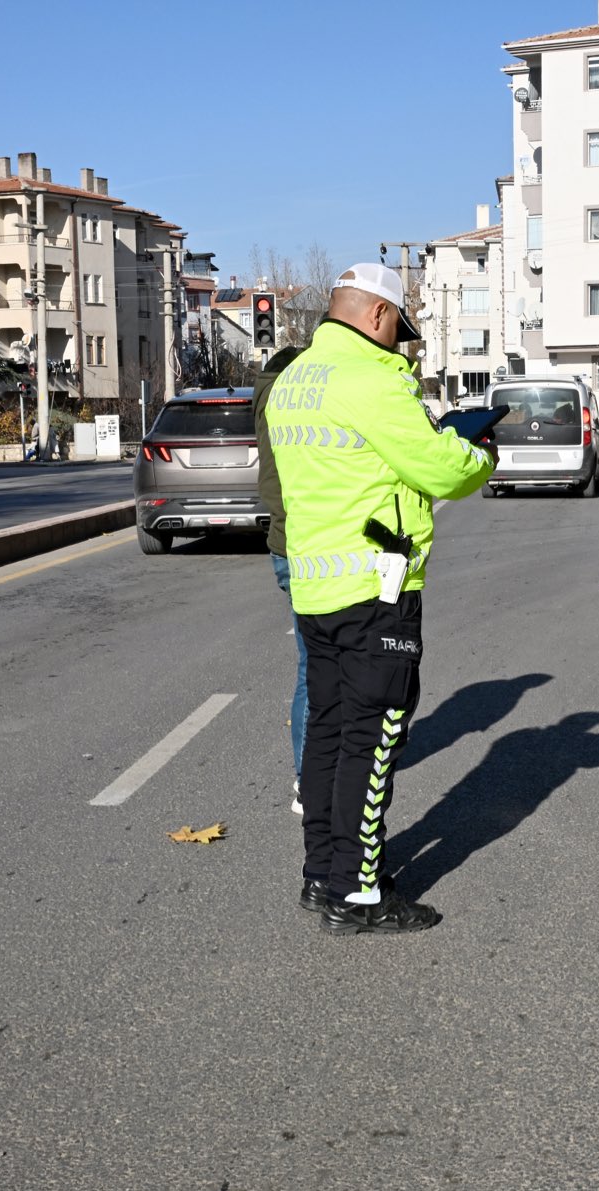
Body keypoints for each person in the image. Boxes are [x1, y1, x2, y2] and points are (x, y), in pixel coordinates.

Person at [269, 263, 494, 936]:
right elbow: (440, 470)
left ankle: (323, 876)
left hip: (317, 585)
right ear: (376, 316)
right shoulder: (373, 380)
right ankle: (359, 894)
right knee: (373, 742)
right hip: (376, 589)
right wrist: (478, 451)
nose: (401, 344)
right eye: (399, 328)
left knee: (328, 738)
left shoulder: (295, 380)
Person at [253, 342, 307, 815]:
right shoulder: (296, 403)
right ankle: (309, 780)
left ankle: (308, 773)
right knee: (318, 670)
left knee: (312, 666)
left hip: (282, 542)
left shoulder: (265, 399)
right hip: (307, 543)